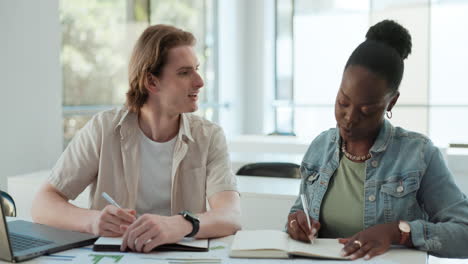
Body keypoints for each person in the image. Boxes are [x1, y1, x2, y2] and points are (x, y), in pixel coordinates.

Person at [31, 24, 241, 253]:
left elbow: (230, 215)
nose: (199, 82)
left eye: (197, 69)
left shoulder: (209, 136)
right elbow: (43, 203)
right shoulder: (103, 129)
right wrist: (92, 221)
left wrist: (180, 224)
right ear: (151, 82)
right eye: (184, 72)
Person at [286, 20, 468, 259]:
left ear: (391, 102)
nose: (349, 118)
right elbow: (301, 211)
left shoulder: (419, 154)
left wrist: (398, 232)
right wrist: (295, 223)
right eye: (343, 102)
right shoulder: (320, 147)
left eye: (366, 110)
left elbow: (464, 234)